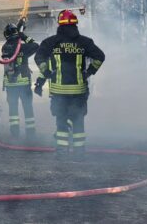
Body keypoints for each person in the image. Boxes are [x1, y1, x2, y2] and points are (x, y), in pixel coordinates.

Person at [33, 10, 105, 159]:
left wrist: (45, 73)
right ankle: (79, 153)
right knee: (78, 122)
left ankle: (61, 152)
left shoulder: (50, 42)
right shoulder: (85, 42)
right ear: (75, 24)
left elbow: (39, 57)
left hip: (59, 92)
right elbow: (100, 57)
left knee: (61, 122)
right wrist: (89, 72)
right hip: (78, 92)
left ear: (59, 24)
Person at [0, 23, 40, 139]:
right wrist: (23, 36)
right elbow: (35, 45)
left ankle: (15, 133)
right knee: (28, 108)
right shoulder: (23, 47)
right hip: (24, 83)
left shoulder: (5, 47)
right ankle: (31, 133)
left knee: (13, 109)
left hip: (10, 84)